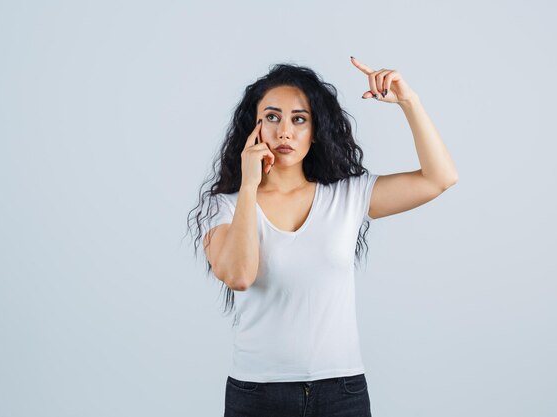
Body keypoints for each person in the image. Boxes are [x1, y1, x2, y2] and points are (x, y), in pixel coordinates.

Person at [187, 58, 458, 417]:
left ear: (315, 130)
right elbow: (239, 275)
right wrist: (249, 184)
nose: (285, 131)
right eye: (272, 117)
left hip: (341, 390)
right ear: (252, 128)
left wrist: (410, 102)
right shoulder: (222, 207)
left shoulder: (347, 196)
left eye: (299, 119)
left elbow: (438, 178)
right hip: (257, 393)